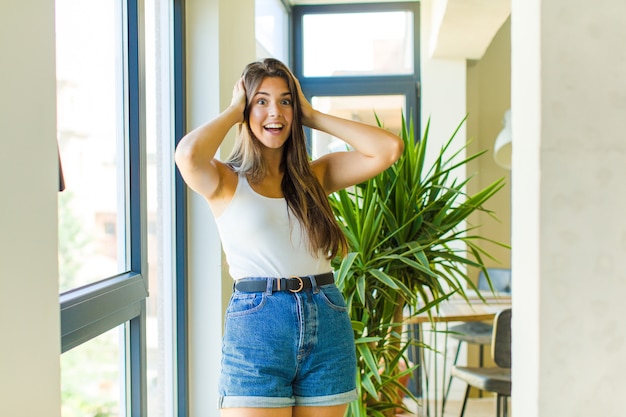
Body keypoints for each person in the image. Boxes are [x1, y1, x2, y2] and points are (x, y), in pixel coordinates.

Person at [175, 58, 404, 417]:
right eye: (262, 101)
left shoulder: (317, 175)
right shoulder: (224, 180)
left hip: (325, 316)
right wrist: (235, 108)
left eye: (285, 101)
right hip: (258, 325)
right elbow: (187, 155)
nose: (275, 112)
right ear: (247, 109)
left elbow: (388, 149)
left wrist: (310, 113)